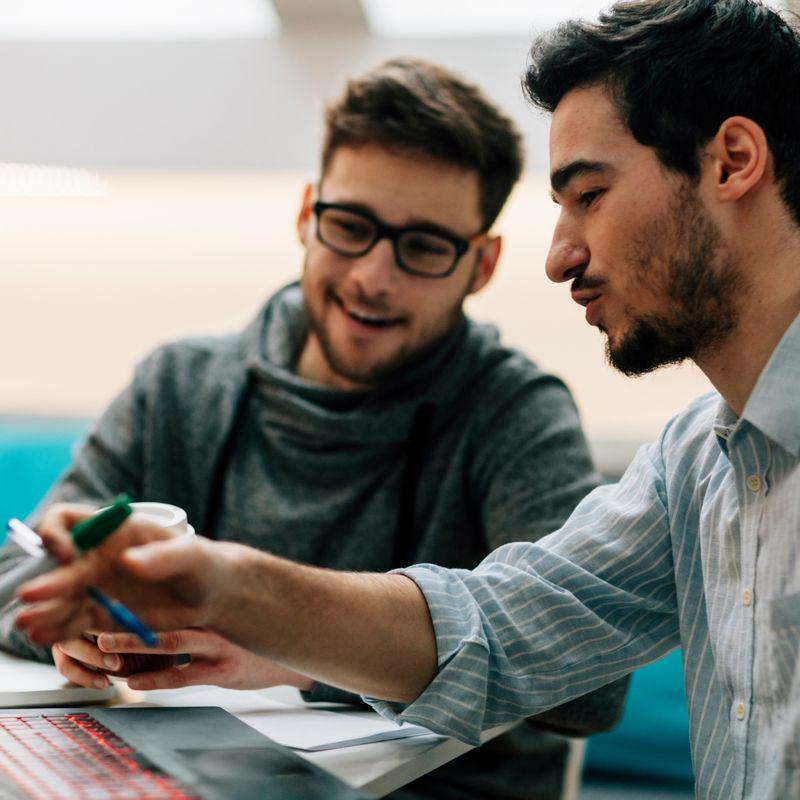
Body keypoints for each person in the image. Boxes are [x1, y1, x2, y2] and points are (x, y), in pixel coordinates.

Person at [1, 58, 626, 800]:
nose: (373, 276)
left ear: (481, 264)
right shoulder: (179, 386)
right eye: (350, 227)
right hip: (192, 780)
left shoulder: (514, 414)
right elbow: (17, 584)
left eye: (424, 247)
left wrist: (293, 651)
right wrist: (71, 627)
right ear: (307, 214)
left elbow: (589, 685)